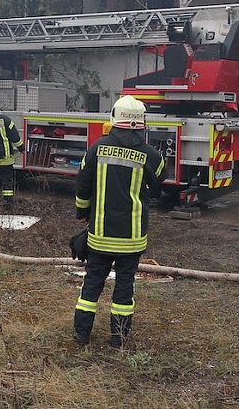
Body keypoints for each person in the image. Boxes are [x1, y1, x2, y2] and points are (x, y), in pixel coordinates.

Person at [73, 95, 165, 347]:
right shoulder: (150, 155)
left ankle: (81, 333)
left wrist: (83, 212)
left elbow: (82, 184)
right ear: (142, 122)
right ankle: (119, 337)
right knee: (125, 286)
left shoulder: (96, 149)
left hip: (100, 236)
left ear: (114, 118)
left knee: (92, 283)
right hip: (131, 239)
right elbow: (159, 182)